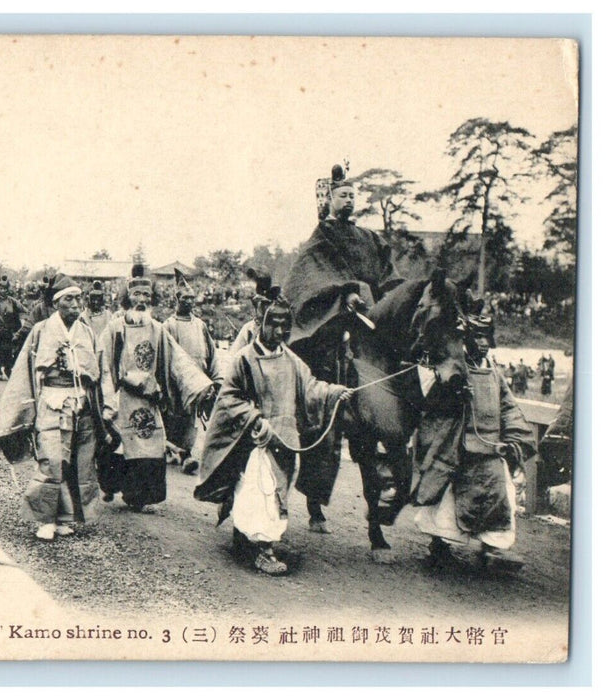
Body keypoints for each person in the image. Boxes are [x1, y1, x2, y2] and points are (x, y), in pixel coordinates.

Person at [194, 284, 352, 575]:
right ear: (263, 323)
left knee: (276, 492)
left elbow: (311, 388)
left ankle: (247, 539)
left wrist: (333, 392)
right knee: (262, 492)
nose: (280, 331)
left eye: (285, 325)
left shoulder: (292, 361)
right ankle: (263, 551)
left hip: (286, 438)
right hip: (257, 439)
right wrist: (255, 418)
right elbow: (229, 398)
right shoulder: (244, 359)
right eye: (274, 324)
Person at [283, 163, 399, 533]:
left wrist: (391, 298)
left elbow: (387, 276)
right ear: (329, 200)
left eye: (352, 194)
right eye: (342, 194)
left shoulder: (369, 238)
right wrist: (342, 293)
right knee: (322, 416)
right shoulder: (321, 238)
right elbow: (309, 281)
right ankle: (315, 503)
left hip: (366, 329)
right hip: (328, 335)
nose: (349, 199)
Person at [410, 308, 536, 572]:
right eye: (477, 336)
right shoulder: (450, 366)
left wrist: (513, 437)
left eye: (486, 337)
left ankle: (492, 548)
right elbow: (428, 399)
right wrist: (452, 391)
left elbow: (508, 407)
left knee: (500, 494)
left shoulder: (493, 371)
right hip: (456, 446)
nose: (482, 343)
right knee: (446, 501)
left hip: (489, 448)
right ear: (466, 337)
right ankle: (439, 546)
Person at [0, 275, 103, 540]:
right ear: (56, 304)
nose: (75, 304)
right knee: (52, 459)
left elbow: (99, 370)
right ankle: (44, 519)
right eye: (69, 299)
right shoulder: (41, 330)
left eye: (78, 299)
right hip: (52, 399)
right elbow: (26, 372)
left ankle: (65, 517)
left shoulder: (86, 332)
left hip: (80, 402)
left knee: (76, 462)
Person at [97, 264, 218, 511]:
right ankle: (111, 487)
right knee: (119, 446)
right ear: (126, 298)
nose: (141, 300)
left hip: (148, 399)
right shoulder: (115, 328)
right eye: (136, 295)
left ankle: (138, 497)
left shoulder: (157, 329)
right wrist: (108, 398)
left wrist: (200, 385)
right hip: (123, 398)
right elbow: (104, 364)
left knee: (148, 446)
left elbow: (178, 359)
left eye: (146, 296)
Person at [161, 269, 224, 474]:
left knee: (191, 418)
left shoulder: (201, 325)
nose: (189, 302)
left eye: (191, 298)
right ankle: (174, 450)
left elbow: (212, 353)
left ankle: (185, 453)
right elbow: (166, 355)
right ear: (177, 299)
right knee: (174, 414)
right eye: (185, 298)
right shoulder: (168, 325)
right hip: (176, 379)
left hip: (198, 380)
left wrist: (215, 379)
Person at [0, 276, 27, 380]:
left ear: (7, 290)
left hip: (10, 329)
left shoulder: (12, 301)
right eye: (0, 288)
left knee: (9, 350)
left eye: (4, 289)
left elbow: (23, 309)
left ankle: (8, 368)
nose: (2, 291)